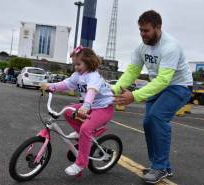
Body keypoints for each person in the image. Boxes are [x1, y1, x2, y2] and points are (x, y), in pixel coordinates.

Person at [112, 10, 193, 184]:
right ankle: (161, 166)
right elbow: (132, 71)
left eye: (146, 30)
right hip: (159, 86)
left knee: (157, 118)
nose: (142, 34)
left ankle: (160, 167)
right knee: (148, 122)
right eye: (140, 30)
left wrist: (134, 96)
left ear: (158, 27)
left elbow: (164, 80)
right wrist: (115, 89)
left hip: (178, 86)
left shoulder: (170, 46)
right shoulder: (141, 48)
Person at [41, 46, 114, 176]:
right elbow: (66, 84)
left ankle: (81, 163)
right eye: (74, 64)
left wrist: (85, 107)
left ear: (89, 62)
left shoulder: (93, 76)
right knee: (68, 112)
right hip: (90, 107)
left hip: (103, 108)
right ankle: (81, 133)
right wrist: (51, 86)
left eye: (79, 64)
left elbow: (91, 91)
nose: (76, 67)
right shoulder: (78, 75)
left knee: (86, 128)